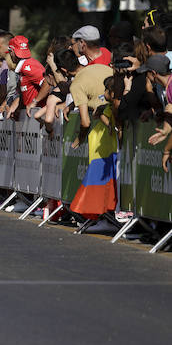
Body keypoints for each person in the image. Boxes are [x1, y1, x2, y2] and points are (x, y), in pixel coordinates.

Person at [55, 49, 116, 229]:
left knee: (100, 175)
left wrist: (80, 138)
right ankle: (111, 217)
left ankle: (105, 218)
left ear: (64, 71)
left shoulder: (76, 85)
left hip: (102, 131)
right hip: (119, 123)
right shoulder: (100, 67)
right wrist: (73, 103)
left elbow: (85, 120)